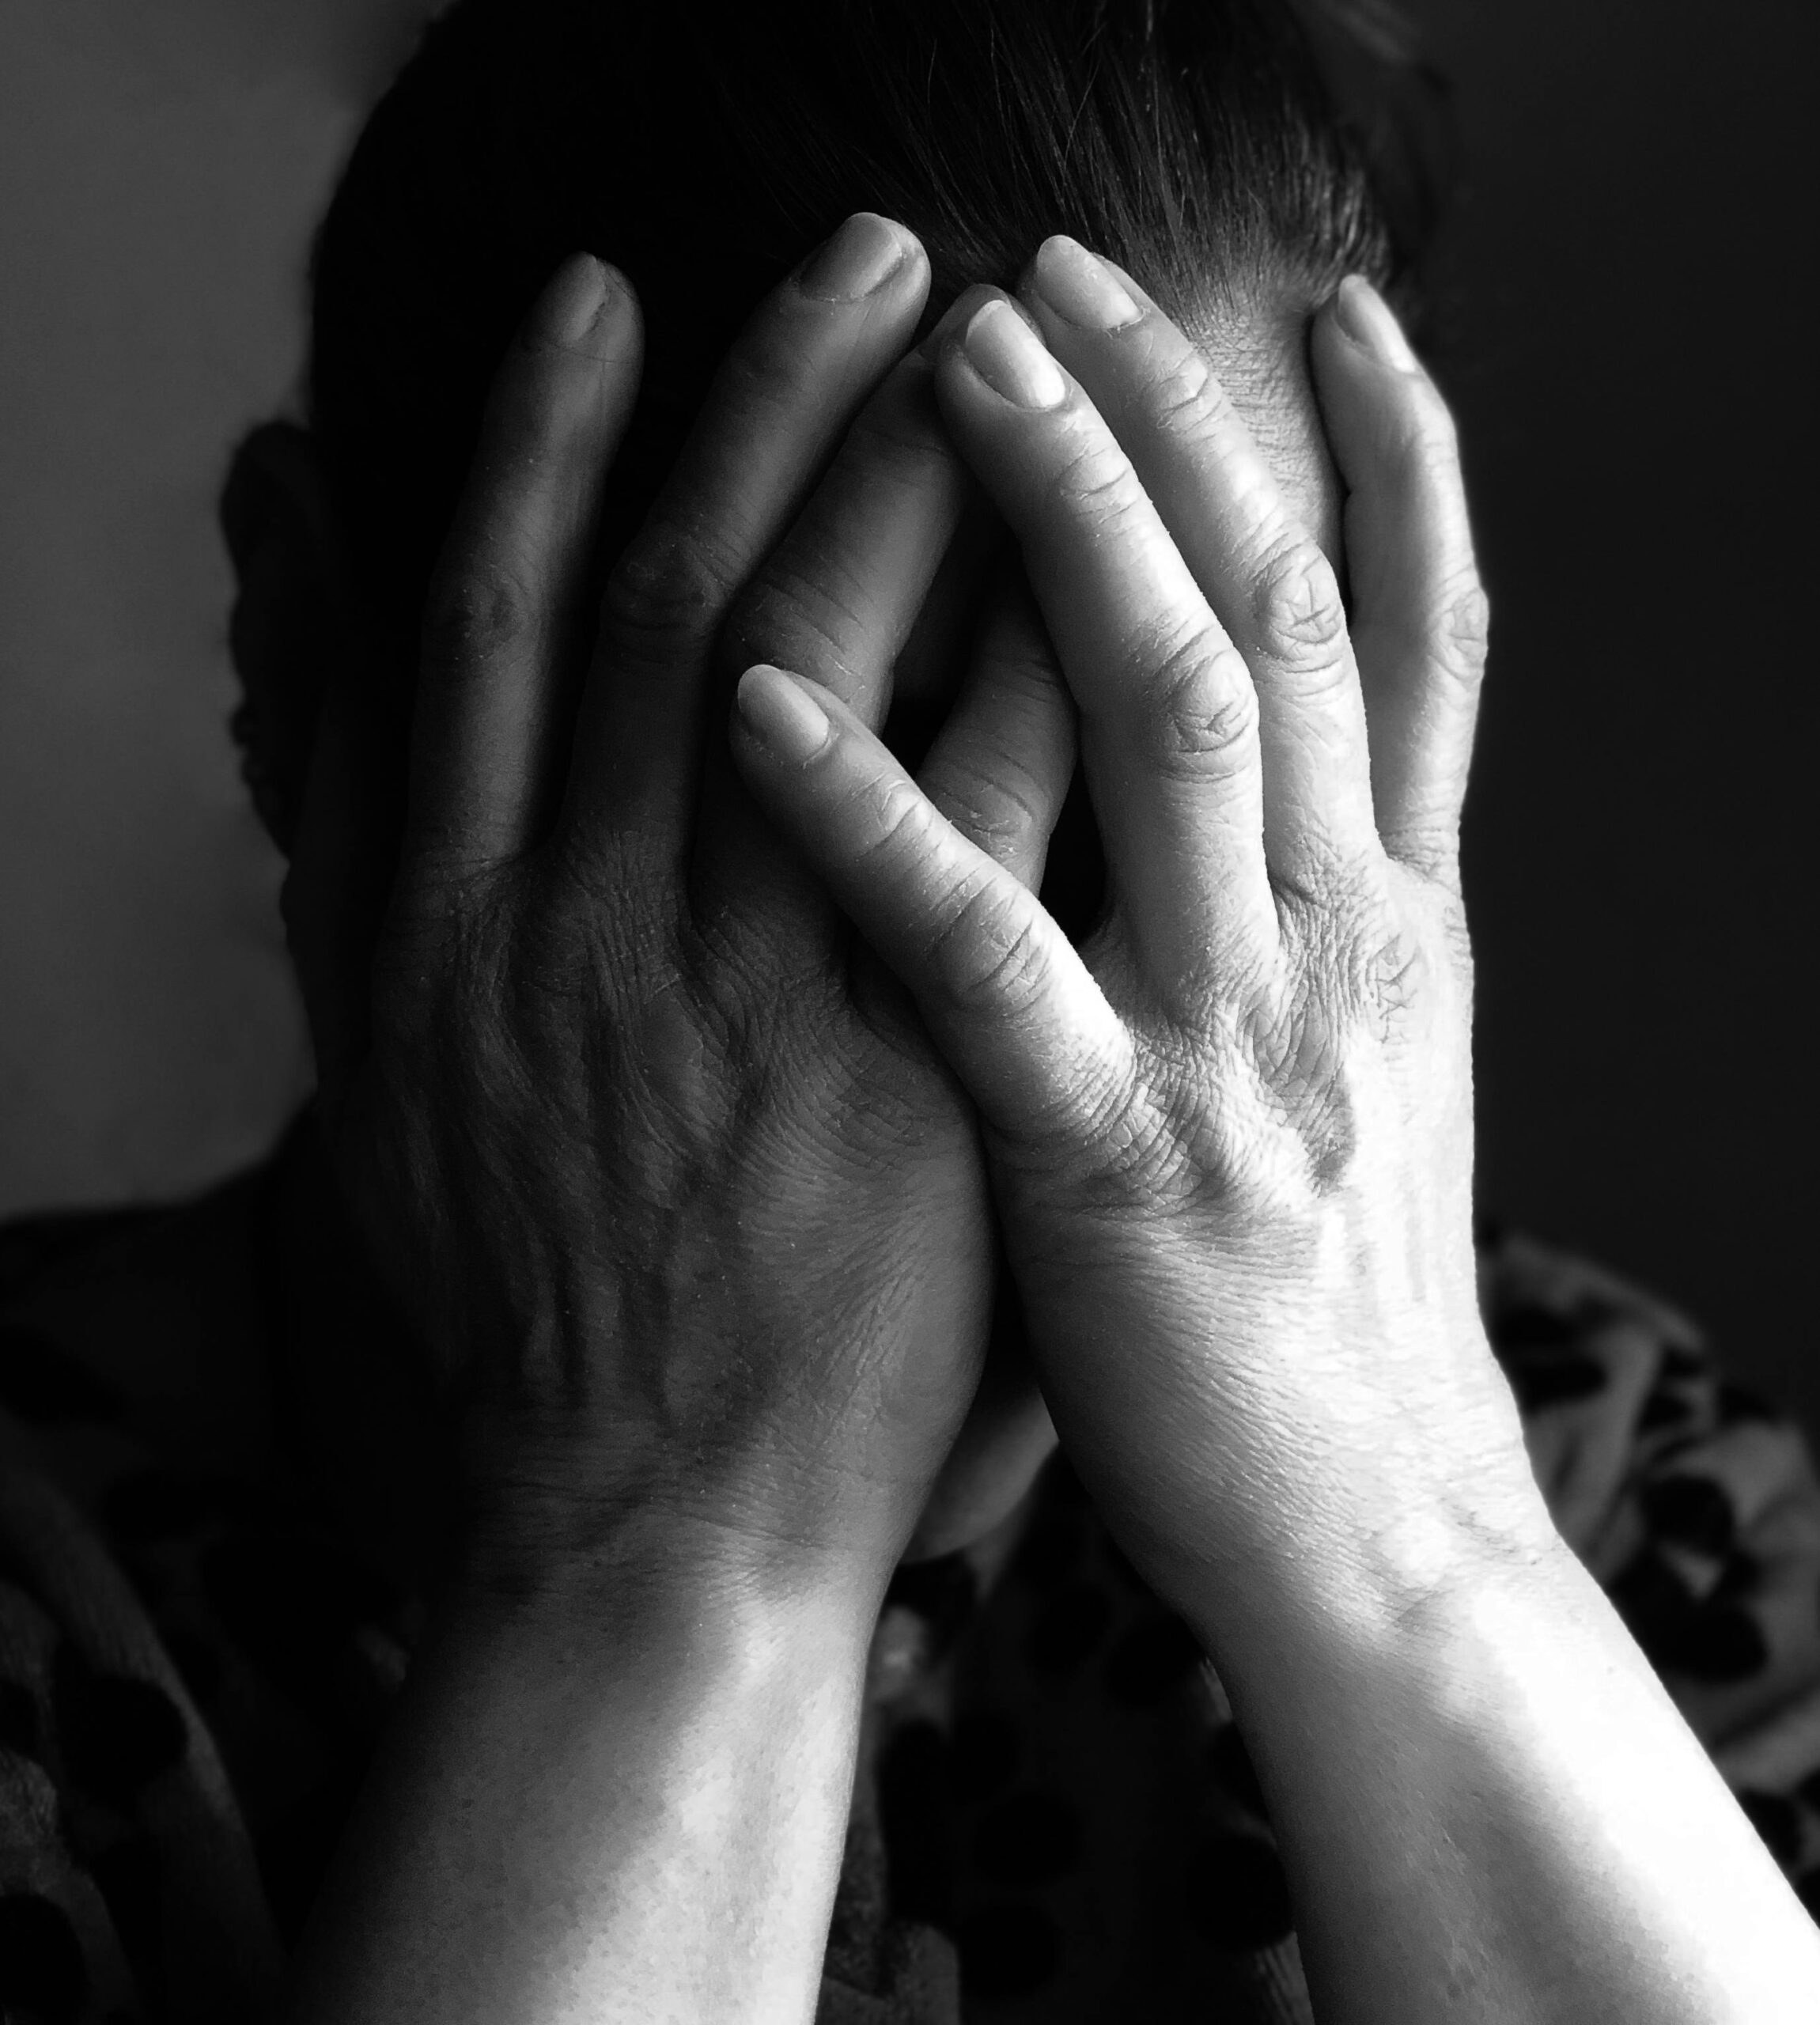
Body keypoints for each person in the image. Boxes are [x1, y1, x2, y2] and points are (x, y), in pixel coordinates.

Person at [3, 1, 1820, 2019]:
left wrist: (1419, 1544)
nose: (1032, 1039)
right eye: (806, 834)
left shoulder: (1630, 1508)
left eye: (1168, 811)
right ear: (314, 670)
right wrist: (665, 1547)